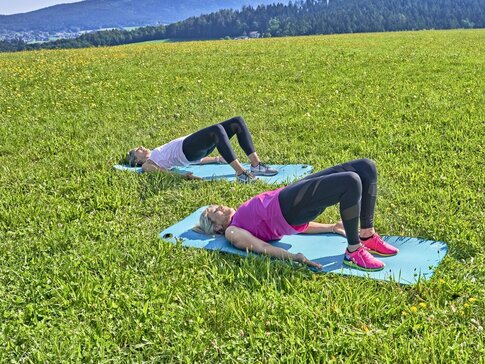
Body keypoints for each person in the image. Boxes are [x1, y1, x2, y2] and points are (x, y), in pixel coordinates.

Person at [195, 159, 399, 271]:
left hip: (289, 195)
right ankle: (353, 252)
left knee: (366, 167)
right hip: (288, 206)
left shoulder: (240, 214)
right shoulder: (231, 231)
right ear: (216, 228)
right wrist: (296, 257)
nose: (221, 206)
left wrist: (331, 227)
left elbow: (294, 228)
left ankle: (367, 235)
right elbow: (261, 247)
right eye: (216, 211)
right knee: (351, 182)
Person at [126, 116, 277, 182]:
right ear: (137, 160)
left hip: (193, 150)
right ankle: (241, 173)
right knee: (217, 130)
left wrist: (217, 159)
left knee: (237, 122)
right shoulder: (148, 164)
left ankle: (256, 165)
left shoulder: (157, 152)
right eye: (136, 150)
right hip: (186, 149)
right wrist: (185, 176)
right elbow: (164, 173)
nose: (140, 147)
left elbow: (195, 161)